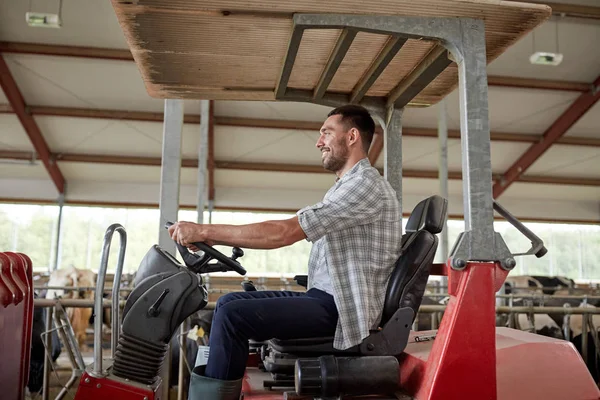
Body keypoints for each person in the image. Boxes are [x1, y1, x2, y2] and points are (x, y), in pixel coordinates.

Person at [168, 104, 402, 400]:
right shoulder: (346, 187)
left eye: (326, 133)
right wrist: (211, 238)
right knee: (230, 303)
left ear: (352, 136)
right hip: (327, 299)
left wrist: (205, 231)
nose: (319, 142)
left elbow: (284, 232)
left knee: (231, 314)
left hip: (343, 311)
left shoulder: (364, 186)